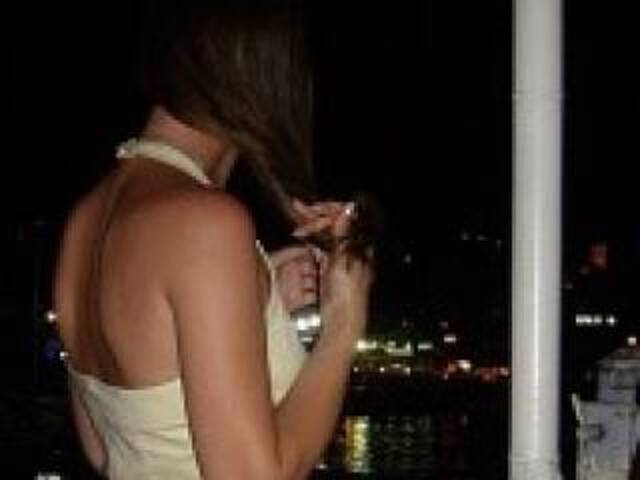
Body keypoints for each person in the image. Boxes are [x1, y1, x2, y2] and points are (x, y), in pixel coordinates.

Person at [53, 4, 374, 479]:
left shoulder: (86, 221)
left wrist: (253, 303)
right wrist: (344, 322)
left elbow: (106, 448)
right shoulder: (206, 225)